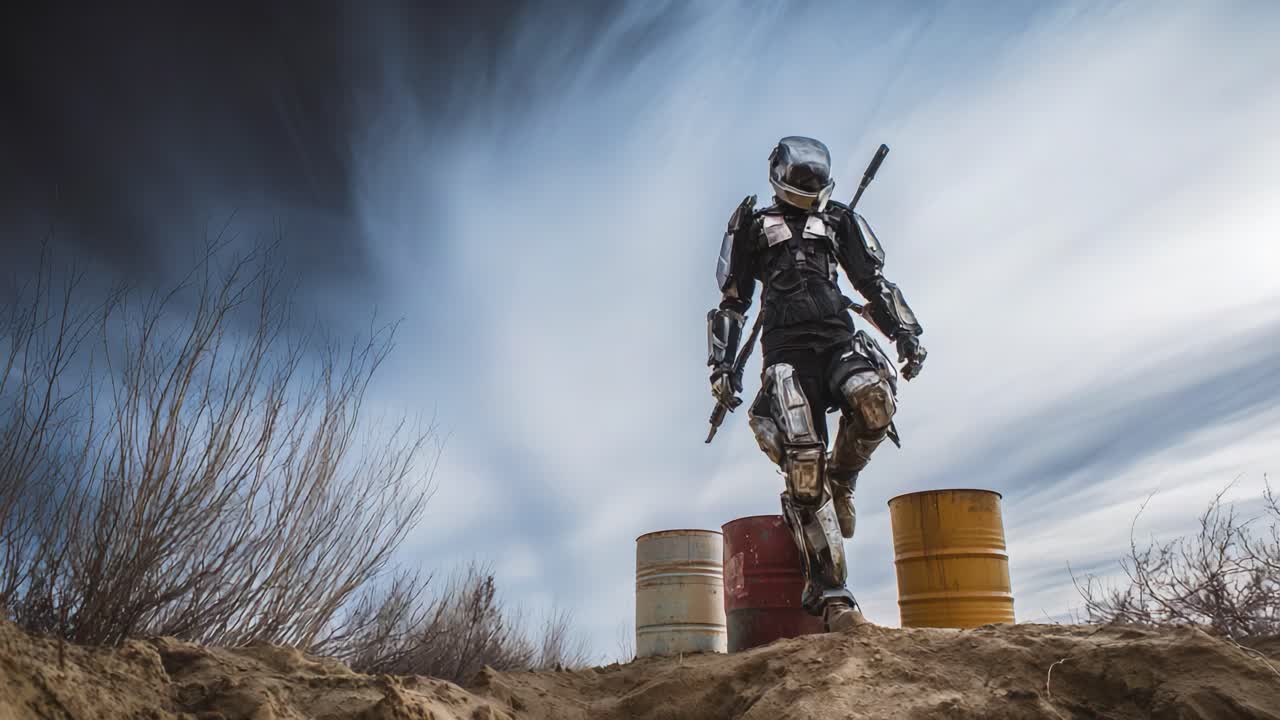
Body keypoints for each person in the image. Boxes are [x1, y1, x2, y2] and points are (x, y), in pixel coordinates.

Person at [706, 136, 927, 631]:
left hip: (836, 338)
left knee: (874, 401)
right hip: (785, 351)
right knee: (803, 459)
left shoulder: (839, 220)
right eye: (799, 178)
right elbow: (733, 300)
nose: (807, 187)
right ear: (780, 175)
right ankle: (832, 593)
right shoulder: (752, 225)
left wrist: (904, 332)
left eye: (814, 180)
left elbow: (872, 283)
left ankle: (843, 477)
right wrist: (721, 367)